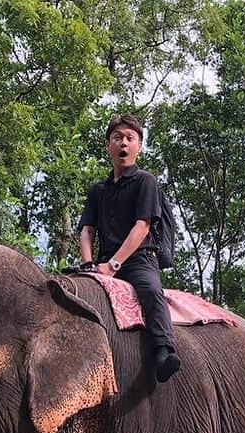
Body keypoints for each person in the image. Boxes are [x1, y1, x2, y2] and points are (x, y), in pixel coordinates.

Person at [79, 113, 180, 382]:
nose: (123, 143)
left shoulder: (146, 181)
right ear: (108, 146)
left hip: (138, 261)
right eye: (117, 138)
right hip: (102, 262)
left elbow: (142, 227)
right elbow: (87, 230)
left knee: (150, 290)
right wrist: (89, 263)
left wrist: (113, 265)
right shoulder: (97, 191)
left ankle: (163, 350)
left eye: (130, 138)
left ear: (139, 146)